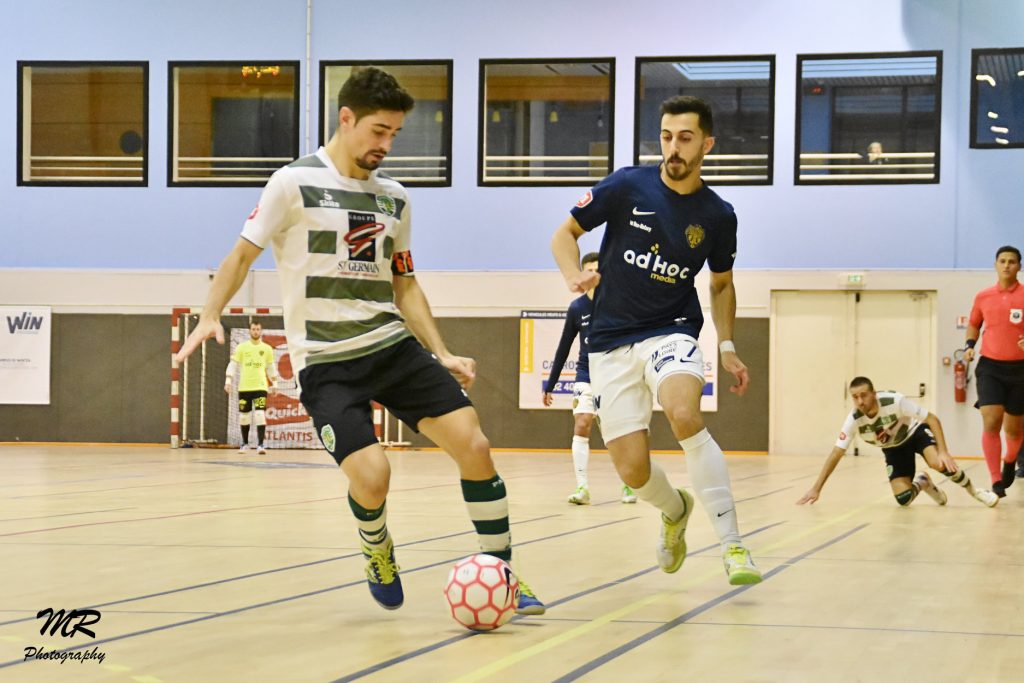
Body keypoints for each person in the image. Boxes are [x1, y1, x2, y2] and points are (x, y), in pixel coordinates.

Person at [176, 68, 543, 615]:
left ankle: (506, 577)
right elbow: (241, 255)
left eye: (394, 134)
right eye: (377, 130)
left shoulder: (395, 199)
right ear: (345, 119)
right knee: (374, 477)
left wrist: (440, 351)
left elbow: (405, 282)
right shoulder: (291, 183)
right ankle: (377, 547)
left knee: (476, 446)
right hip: (326, 364)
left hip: (391, 347)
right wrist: (210, 315)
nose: (386, 145)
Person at [551, 95, 762, 586]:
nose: (673, 147)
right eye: (666, 136)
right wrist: (571, 275)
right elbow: (565, 233)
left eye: (685, 138)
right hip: (609, 342)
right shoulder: (627, 185)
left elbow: (722, 284)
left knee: (685, 414)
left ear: (706, 145)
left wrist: (726, 346)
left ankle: (733, 545)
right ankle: (675, 510)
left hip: (672, 328)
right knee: (631, 471)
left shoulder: (718, 215)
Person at [797, 377, 999, 508]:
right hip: (893, 448)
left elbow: (932, 419)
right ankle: (923, 482)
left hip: (914, 434)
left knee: (938, 463)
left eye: (864, 395)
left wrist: (944, 451)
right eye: (855, 397)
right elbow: (836, 453)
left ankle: (976, 491)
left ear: (874, 394)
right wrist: (816, 488)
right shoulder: (854, 420)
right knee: (903, 499)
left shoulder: (894, 401)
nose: (860, 401)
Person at [542, 252, 637, 505]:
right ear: (582, 275)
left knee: (617, 432)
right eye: (589, 270)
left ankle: (628, 485)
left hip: (614, 374)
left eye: (598, 269)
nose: (594, 274)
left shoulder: (620, 303)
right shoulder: (577, 308)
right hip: (586, 372)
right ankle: (582, 487)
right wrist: (550, 385)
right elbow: (564, 347)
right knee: (582, 422)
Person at [964, 245, 1024, 497]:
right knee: (991, 419)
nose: (1007, 265)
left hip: (1020, 370)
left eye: (1012, 261)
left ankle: (1010, 460)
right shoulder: (983, 296)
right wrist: (969, 345)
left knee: (1014, 430)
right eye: (1002, 260)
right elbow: (974, 323)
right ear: (995, 264)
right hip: (990, 366)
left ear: (1019, 267)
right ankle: (995, 480)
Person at [225, 320, 277, 454]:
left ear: (261, 330)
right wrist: (228, 380)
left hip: (260, 388)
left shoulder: (266, 349)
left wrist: (275, 383)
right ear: (250, 331)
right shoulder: (242, 347)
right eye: (253, 329)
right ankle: (245, 444)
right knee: (244, 417)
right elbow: (233, 364)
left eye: (258, 329)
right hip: (244, 388)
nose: (256, 331)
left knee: (260, 414)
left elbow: (271, 368)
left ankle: (260, 445)